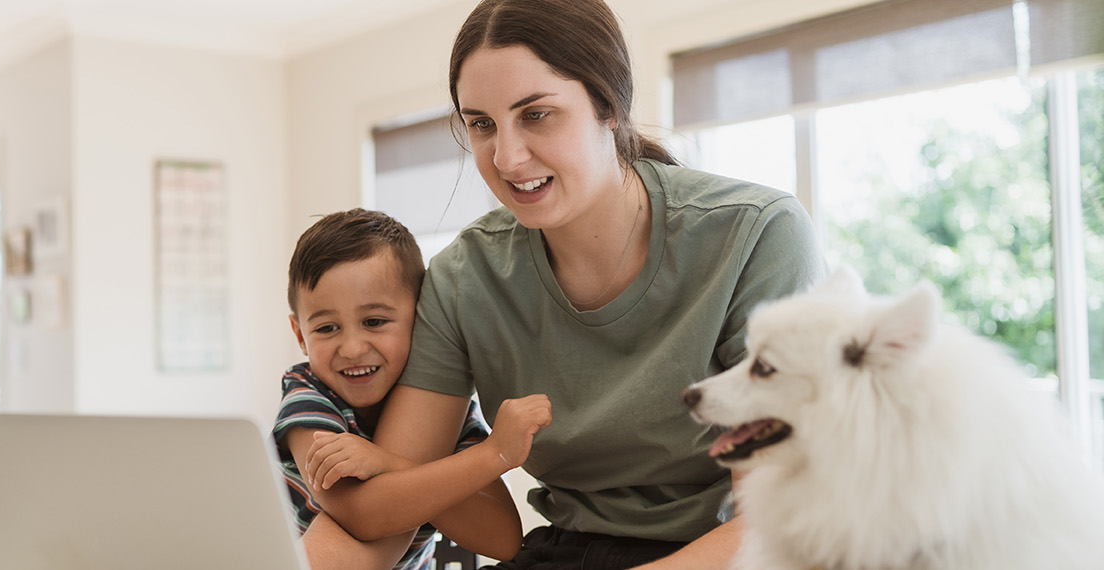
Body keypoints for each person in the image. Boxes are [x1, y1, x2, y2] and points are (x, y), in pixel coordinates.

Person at [302, 0, 828, 569]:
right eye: (481, 124)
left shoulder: (755, 235)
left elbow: (774, 518)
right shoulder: (462, 278)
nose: (506, 157)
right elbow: (384, 509)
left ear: (610, 106)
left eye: (536, 114)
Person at [275, 208, 553, 570]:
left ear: (423, 319)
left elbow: (502, 539)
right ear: (300, 335)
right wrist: (495, 454)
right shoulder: (307, 395)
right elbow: (357, 513)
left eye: (374, 322)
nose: (353, 348)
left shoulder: (447, 412)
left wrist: (388, 462)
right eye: (327, 328)